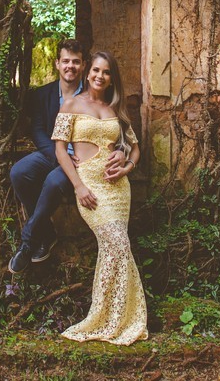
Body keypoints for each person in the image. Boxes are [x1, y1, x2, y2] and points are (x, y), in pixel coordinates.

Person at [51, 51, 148, 345]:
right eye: (95, 70)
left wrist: (127, 165)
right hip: (90, 187)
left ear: (111, 78)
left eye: (106, 72)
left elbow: (134, 147)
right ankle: (107, 317)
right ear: (88, 72)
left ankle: (114, 319)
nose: (99, 76)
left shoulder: (114, 108)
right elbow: (59, 150)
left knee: (114, 248)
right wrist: (79, 186)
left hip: (118, 189)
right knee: (118, 243)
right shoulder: (71, 104)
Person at [8, 40, 125, 273]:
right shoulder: (43, 94)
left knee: (54, 181)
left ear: (83, 66)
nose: (70, 66)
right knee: (19, 172)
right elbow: (39, 130)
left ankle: (28, 242)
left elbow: (117, 129)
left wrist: (122, 152)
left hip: (82, 160)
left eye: (76, 62)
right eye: (66, 61)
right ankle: (46, 232)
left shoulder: (92, 92)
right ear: (57, 64)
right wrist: (57, 156)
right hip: (53, 152)